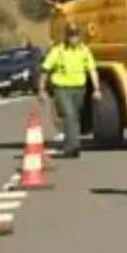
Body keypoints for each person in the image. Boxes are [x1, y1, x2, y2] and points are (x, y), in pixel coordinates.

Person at [37, 22, 101, 159]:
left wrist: (96, 89)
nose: (74, 38)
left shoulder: (84, 50)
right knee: (69, 114)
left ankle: (71, 144)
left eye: (76, 35)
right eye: (71, 35)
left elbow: (92, 70)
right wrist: (41, 89)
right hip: (62, 88)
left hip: (79, 88)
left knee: (75, 117)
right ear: (66, 36)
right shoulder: (58, 50)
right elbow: (45, 70)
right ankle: (72, 147)